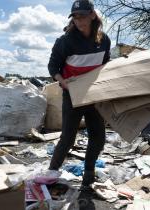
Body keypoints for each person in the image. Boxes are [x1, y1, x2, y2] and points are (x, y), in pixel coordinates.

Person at [47, 0, 111, 190]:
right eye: (75, 17)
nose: (79, 20)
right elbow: (53, 67)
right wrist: (62, 81)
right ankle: (51, 174)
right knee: (68, 138)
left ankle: (88, 175)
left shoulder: (104, 40)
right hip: (72, 95)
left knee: (98, 137)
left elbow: (105, 65)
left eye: (82, 16)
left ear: (92, 15)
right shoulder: (65, 41)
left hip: (93, 94)